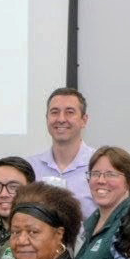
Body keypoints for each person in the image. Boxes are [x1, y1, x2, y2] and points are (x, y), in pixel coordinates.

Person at [76, 146, 130, 259]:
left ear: (128, 182)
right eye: (95, 174)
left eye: (111, 174)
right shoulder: (90, 222)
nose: (101, 180)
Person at [27, 88, 96, 217]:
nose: (61, 119)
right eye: (54, 112)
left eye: (69, 112)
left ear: (84, 120)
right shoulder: (30, 167)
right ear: (47, 118)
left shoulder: (99, 165)